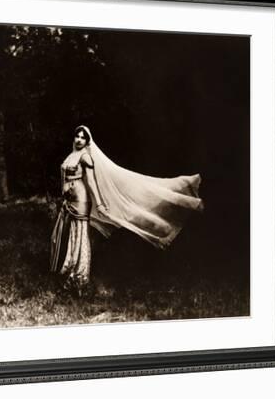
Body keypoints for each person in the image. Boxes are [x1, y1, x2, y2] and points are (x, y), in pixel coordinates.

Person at [50, 125, 204, 294]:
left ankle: (79, 274)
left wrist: (99, 203)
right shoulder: (72, 155)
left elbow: (92, 182)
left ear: (87, 141)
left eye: (83, 137)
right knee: (71, 232)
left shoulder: (86, 157)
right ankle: (68, 268)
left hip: (81, 199)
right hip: (70, 200)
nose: (79, 139)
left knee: (80, 233)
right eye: (77, 136)